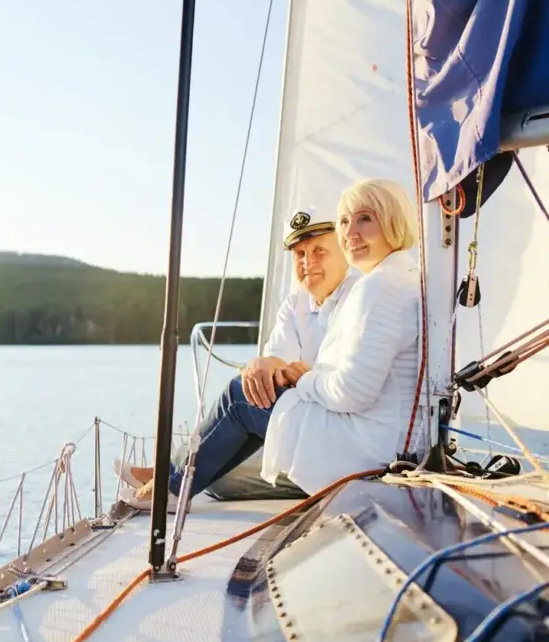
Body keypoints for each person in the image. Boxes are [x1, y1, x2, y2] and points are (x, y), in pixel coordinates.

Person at [120, 178, 420, 509]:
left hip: (365, 450)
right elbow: (279, 361)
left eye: (365, 219)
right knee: (226, 454)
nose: (350, 233)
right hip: (380, 440)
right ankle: (171, 476)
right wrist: (271, 369)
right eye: (346, 222)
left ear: (393, 221)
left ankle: (171, 489)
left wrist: (304, 377)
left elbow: (353, 391)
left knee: (239, 397)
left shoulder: (373, 288)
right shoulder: (398, 278)